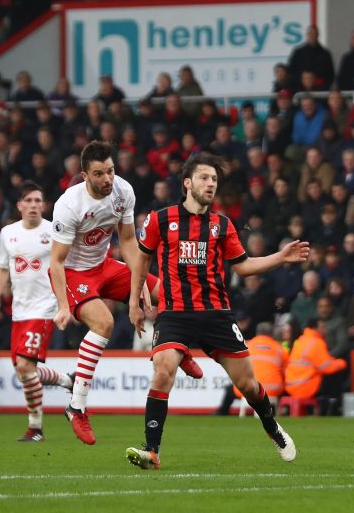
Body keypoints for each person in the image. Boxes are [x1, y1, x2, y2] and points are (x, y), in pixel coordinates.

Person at [126, 152, 306, 469]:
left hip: (216, 314)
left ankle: (272, 427)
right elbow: (141, 259)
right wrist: (134, 301)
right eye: (204, 178)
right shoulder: (160, 220)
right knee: (163, 369)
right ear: (187, 183)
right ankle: (152, 451)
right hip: (174, 313)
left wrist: (280, 256)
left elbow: (245, 266)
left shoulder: (221, 225)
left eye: (214, 180)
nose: (211, 184)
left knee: (248, 384)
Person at [49, 140, 201, 445]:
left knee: (168, 292)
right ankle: (77, 406)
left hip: (105, 265)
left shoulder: (123, 191)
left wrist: (140, 282)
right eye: (99, 174)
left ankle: (176, 345)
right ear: (84, 175)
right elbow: (56, 261)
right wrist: (64, 306)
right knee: (104, 323)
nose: (108, 179)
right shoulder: (68, 206)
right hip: (74, 273)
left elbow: (129, 242)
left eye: (111, 171)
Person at [0, 181, 73, 441]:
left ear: (44, 205)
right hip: (19, 311)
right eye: (29, 200)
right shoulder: (7, 233)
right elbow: (3, 268)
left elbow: (67, 266)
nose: (34, 205)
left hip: (45, 308)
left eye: (38, 200)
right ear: (20, 205)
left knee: (25, 367)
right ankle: (67, 380)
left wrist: (64, 304)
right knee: (24, 371)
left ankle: (35, 427)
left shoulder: (54, 231)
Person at [284, 317, 348, 401]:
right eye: (322, 327)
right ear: (315, 328)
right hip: (305, 387)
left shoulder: (301, 340)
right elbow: (327, 367)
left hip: (291, 385)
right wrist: (342, 363)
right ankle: (333, 403)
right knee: (337, 372)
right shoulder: (317, 343)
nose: (326, 330)